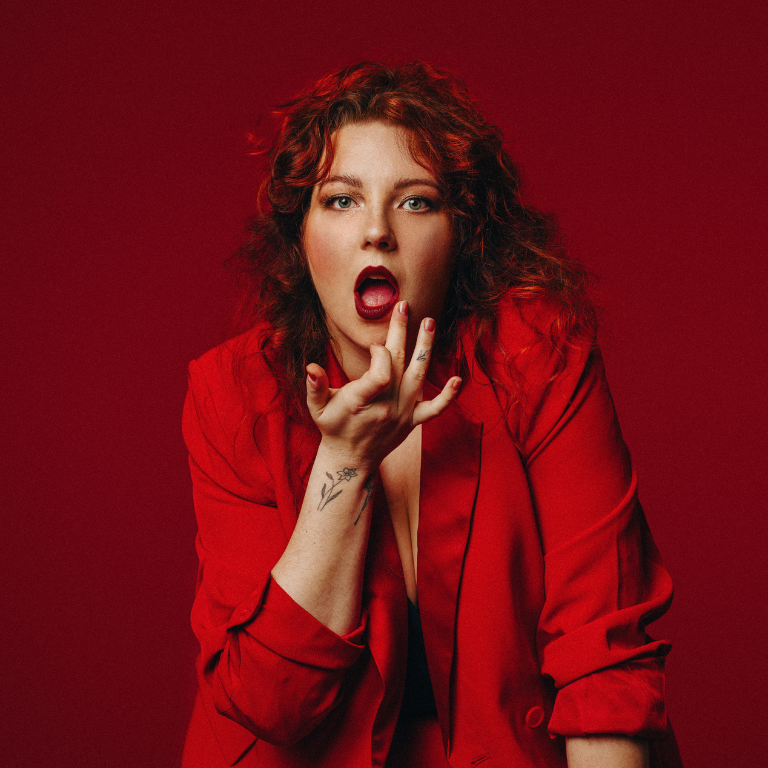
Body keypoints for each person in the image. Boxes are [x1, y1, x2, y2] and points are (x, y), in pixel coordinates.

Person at [181, 62, 682, 768]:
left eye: (415, 203)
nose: (377, 232)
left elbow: (602, 661)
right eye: (341, 201)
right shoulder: (233, 394)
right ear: (300, 239)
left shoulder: (538, 356)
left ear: (461, 236)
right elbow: (271, 703)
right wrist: (345, 462)